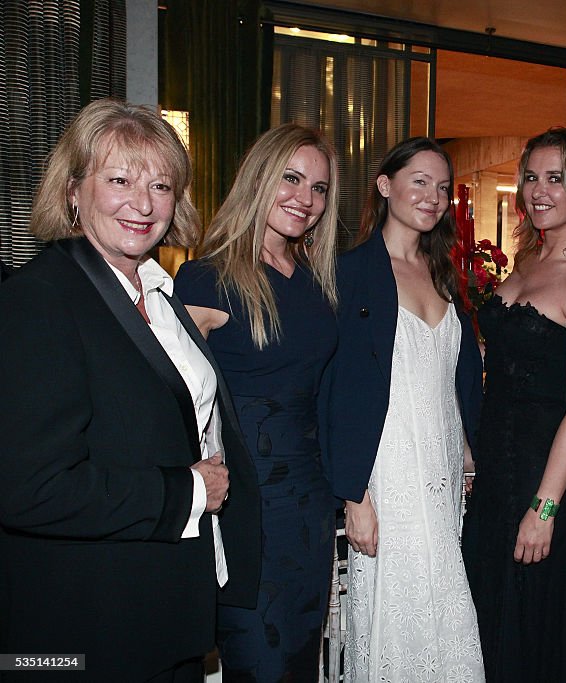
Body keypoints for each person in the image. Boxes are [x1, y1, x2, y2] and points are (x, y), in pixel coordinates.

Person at [0, 98, 259, 682]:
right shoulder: (40, 299)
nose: (143, 205)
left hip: (162, 612)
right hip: (83, 629)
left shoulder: (157, 292)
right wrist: (185, 493)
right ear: (72, 190)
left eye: (161, 185)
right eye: (119, 179)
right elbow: (30, 489)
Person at [175, 123, 339, 681]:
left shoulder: (316, 284)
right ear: (258, 178)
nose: (306, 199)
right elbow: (169, 398)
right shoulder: (207, 278)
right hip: (246, 508)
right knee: (259, 665)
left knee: (300, 664)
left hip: (312, 508)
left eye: (319, 188)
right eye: (291, 179)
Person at [461, 127, 566, 681]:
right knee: (492, 615)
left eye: (556, 178)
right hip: (498, 472)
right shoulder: (526, 263)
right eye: (531, 176)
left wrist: (544, 507)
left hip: (546, 475)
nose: (538, 190)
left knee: (537, 625)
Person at [322, 137, 485, 681]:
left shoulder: (444, 274)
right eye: (419, 181)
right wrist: (355, 495)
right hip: (386, 476)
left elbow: (448, 382)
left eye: (442, 188)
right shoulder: (350, 272)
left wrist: (465, 453)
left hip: (440, 477)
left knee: (446, 606)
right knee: (399, 616)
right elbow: (337, 390)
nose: (433, 197)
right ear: (384, 185)